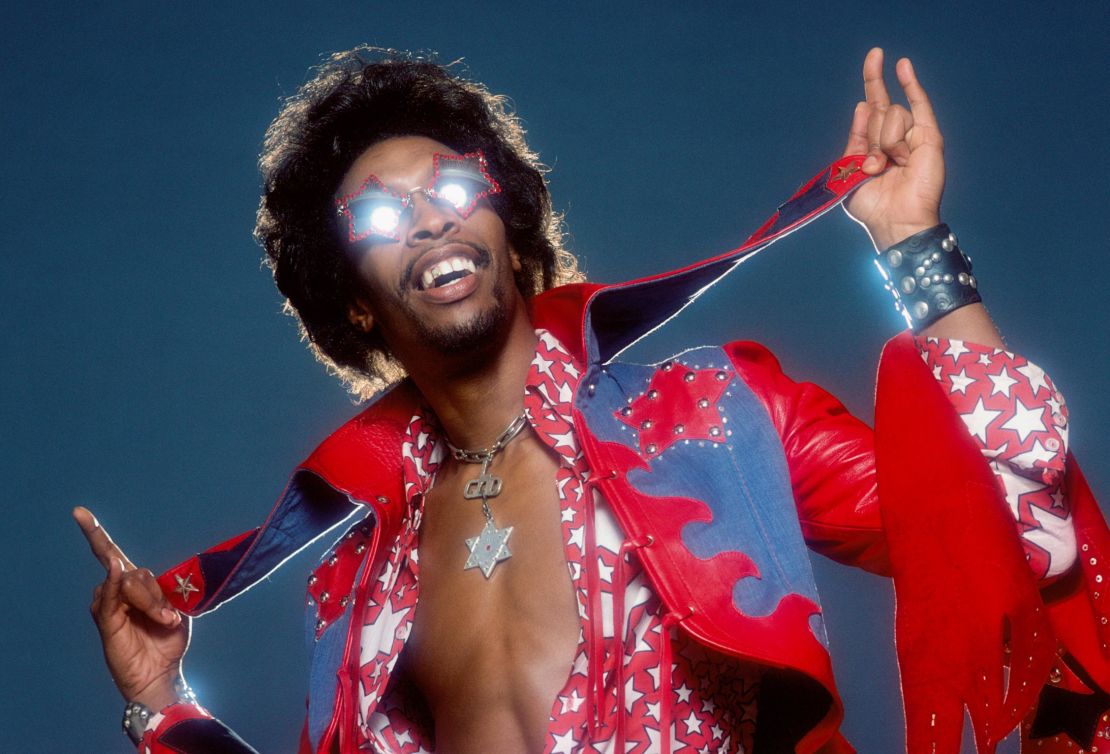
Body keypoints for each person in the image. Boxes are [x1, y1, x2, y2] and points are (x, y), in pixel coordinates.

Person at [75, 45, 1108, 754]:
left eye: (451, 188)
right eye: (383, 215)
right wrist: (162, 704)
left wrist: (912, 245)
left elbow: (1018, 532)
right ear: (352, 305)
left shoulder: (712, 419)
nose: (429, 222)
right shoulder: (357, 572)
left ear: (510, 226)